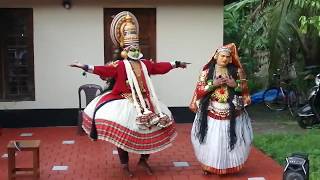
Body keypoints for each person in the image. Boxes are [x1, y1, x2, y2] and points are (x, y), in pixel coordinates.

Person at [70, 11, 188, 177]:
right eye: (130, 48)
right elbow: (103, 70)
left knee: (152, 130)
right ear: (124, 49)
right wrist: (84, 66)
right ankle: (125, 165)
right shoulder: (119, 65)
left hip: (146, 102)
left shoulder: (145, 64)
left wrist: (176, 64)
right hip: (124, 101)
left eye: (135, 47)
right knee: (124, 135)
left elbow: (159, 67)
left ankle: (143, 159)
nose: (133, 50)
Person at [189, 43, 253, 175]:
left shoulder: (237, 71)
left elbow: (245, 89)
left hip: (232, 111)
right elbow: (199, 90)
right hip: (211, 110)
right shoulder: (206, 72)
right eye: (222, 56)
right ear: (216, 56)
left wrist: (235, 85)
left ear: (230, 58)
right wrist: (213, 85)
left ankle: (227, 166)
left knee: (229, 139)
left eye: (227, 57)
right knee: (212, 140)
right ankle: (209, 165)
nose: (224, 59)